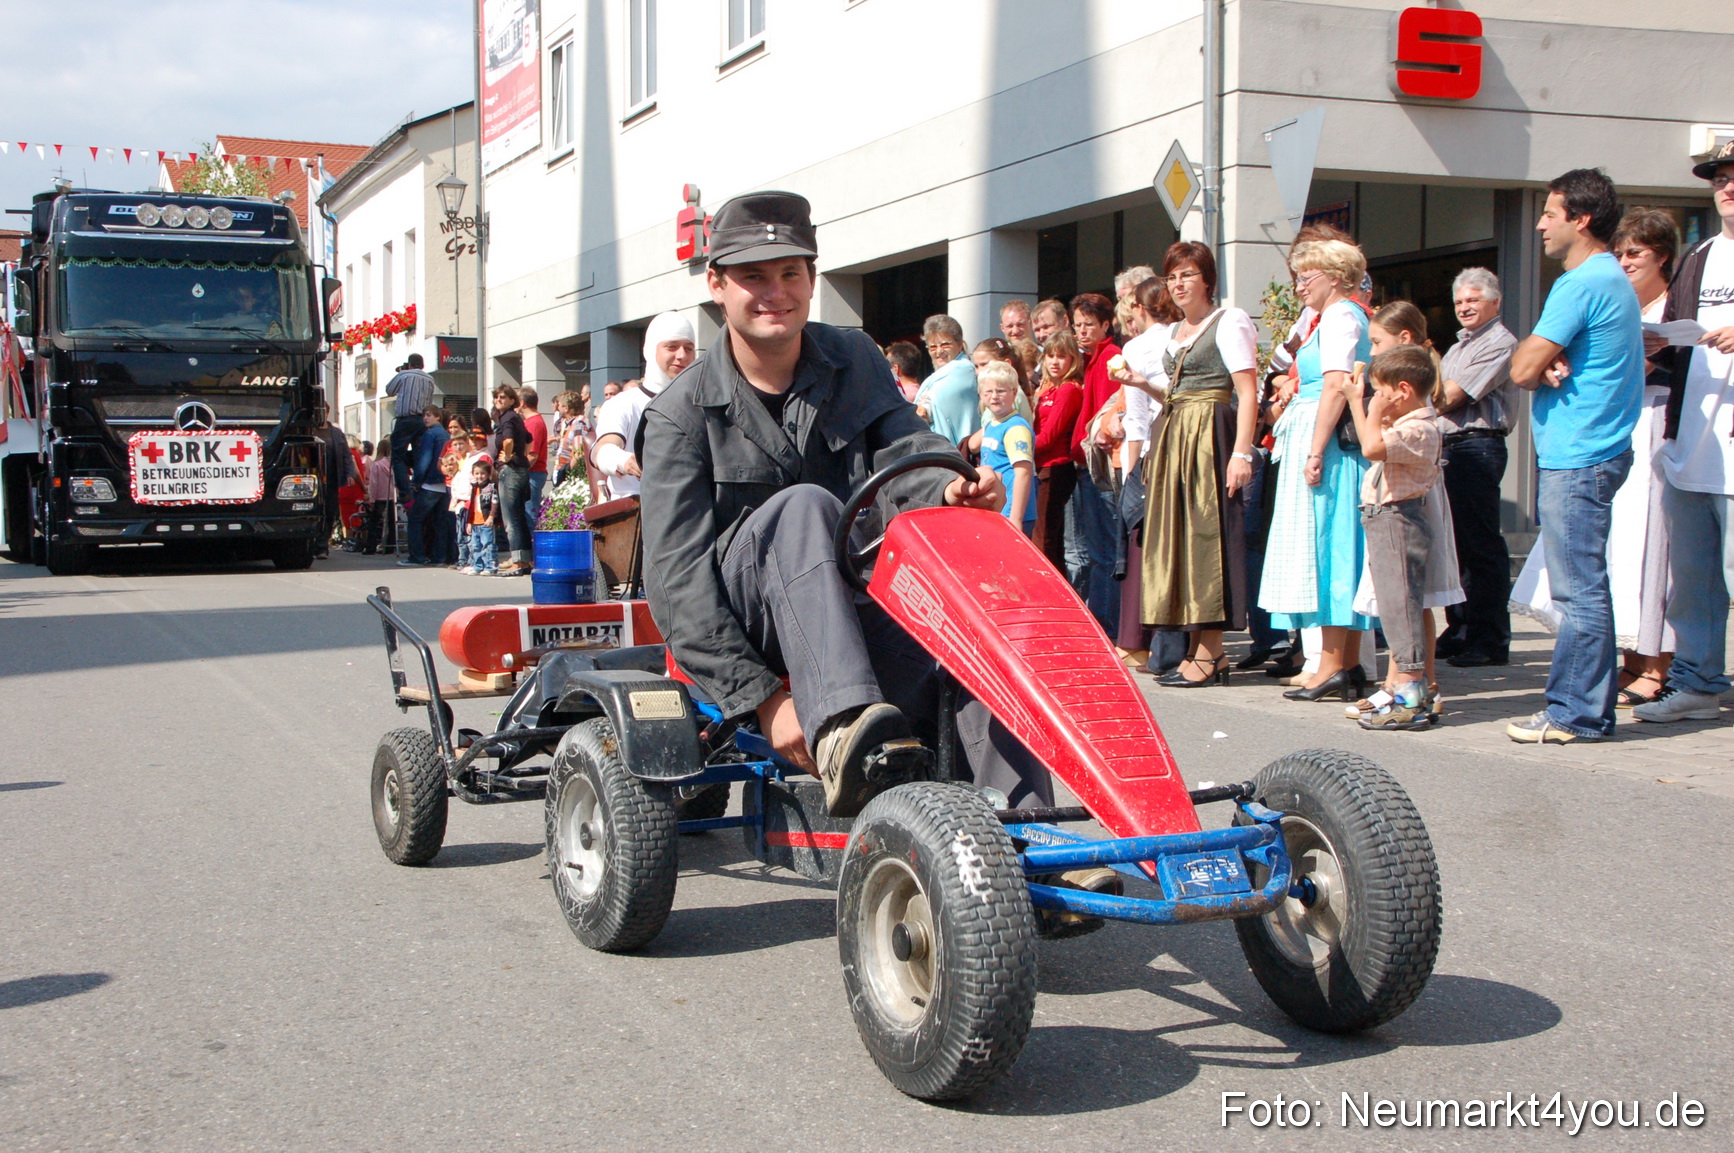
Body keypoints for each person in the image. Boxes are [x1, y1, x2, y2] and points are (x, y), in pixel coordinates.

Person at [637, 190, 1055, 826]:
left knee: (968, 642)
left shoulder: (853, 357)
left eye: (790, 273)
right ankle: (843, 732)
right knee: (804, 507)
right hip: (759, 634)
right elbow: (676, 583)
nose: (775, 292)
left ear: (811, 278)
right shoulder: (678, 415)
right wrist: (764, 700)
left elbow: (905, 443)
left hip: (855, 606)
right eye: (753, 276)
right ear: (716, 286)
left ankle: (1029, 837)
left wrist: (951, 484)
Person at [1505, 169, 1644, 744]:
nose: (1539, 223)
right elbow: (1534, 363)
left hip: (1580, 454)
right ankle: (1588, 710)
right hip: (1592, 451)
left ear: (1580, 220)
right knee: (1585, 585)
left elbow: (1519, 368)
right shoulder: (1609, 279)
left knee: (1578, 590)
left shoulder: (1582, 282)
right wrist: (1545, 359)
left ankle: (1574, 714)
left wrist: (1541, 360)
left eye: (1550, 212)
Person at [1118, 243, 1259, 686]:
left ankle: (1211, 652)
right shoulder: (1178, 329)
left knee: (1206, 537)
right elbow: (1177, 394)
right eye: (1173, 276)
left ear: (1207, 280)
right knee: (1180, 542)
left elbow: (1248, 391)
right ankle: (1198, 649)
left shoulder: (1228, 320)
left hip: (1210, 436)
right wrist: (1141, 383)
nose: (1178, 284)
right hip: (1176, 434)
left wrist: (1240, 453)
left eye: (1188, 275)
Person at [1633, 141, 1734, 724]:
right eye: (1719, 178)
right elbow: (1685, 350)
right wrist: (1660, 343)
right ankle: (1698, 680)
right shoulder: (1699, 257)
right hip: (1692, 444)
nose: (1726, 186)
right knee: (1693, 583)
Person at [1261, 238, 1375, 703]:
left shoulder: (1343, 315)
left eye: (1308, 276)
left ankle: (1333, 662)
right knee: (1327, 542)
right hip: (1318, 433)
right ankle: (1340, 663)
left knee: (1327, 543)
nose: (1300, 285)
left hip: (1327, 441)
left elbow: (1334, 386)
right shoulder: (1333, 317)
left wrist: (1314, 450)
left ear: (1336, 276)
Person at [1338, 345, 1444, 729]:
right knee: (1392, 605)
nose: (1376, 400)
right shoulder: (1405, 424)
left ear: (1402, 390)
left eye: (1380, 391)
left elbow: (1370, 446)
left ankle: (1413, 691)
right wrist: (1357, 401)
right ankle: (1405, 689)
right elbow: (1370, 442)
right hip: (1382, 518)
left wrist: (1375, 409)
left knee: (1402, 606)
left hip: (1400, 519)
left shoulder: (1419, 429)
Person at [1434, 268, 1518, 668]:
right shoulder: (1457, 347)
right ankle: (1460, 629)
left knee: (1480, 546)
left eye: (1473, 300)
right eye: (1459, 302)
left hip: (1476, 445)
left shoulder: (1500, 342)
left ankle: (1489, 638)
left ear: (1495, 303)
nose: (1464, 307)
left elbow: (1450, 396)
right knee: (1456, 547)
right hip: (1450, 446)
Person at [592, 312, 697, 503]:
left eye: (689, 348)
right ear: (650, 350)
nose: (682, 355)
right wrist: (623, 461)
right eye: (671, 347)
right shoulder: (623, 403)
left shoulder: (701, 404)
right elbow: (603, 449)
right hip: (636, 514)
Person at [1067, 291, 1124, 634]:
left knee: (1103, 551)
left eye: (1089, 325)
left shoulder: (1110, 358)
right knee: (1095, 548)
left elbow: (1106, 412)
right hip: (1088, 464)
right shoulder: (1092, 359)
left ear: (1106, 325)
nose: (1082, 332)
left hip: (1100, 465)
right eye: (1077, 326)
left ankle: (1107, 624)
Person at [1032, 332, 1084, 572]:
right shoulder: (1049, 390)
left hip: (1055, 467)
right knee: (1044, 536)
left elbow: (1050, 436)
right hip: (1042, 466)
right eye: (1050, 355)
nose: (1054, 361)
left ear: (1073, 360)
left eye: (1062, 356)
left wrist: (1020, 450)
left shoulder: (1069, 390)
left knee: (1045, 540)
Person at [968, 361, 1038, 533]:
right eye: (988, 392)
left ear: (1014, 393)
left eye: (1001, 391)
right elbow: (972, 445)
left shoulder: (1015, 428)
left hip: (1011, 512)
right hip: (995, 509)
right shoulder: (992, 424)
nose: (994, 397)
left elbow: (1023, 472)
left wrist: (1016, 518)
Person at [915, 315, 980, 447]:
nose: (939, 351)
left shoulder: (964, 369)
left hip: (957, 450)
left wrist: (925, 410)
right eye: (933, 347)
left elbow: (940, 397)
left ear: (960, 344)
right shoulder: (936, 376)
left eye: (945, 344)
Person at [401, 407, 452, 567]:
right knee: (440, 522)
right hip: (444, 482)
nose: (425, 418)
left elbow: (425, 459)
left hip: (430, 483)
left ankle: (417, 556)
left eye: (429, 415)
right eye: (424, 415)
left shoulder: (430, 434)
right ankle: (440, 557)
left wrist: (417, 481)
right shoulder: (446, 434)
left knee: (416, 520)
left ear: (437, 417)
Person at [491, 386, 533, 575]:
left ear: (511, 400)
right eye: (496, 397)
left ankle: (518, 562)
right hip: (521, 469)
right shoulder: (515, 418)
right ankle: (524, 559)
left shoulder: (508, 418)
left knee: (511, 520)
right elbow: (529, 439)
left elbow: (508, 441)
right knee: (519, 517)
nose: (498, 400)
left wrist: (507, 457)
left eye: (502, 397)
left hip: (511, 470)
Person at [383, 353, 435, 505]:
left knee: (397, 456)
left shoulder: (405, 374)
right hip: (422, 420)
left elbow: (389, 390)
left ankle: (405, 491)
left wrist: (401, 372)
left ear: (410, 364)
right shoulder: (430, 379)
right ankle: (418, 484)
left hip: (405, 419)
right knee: (420, 455)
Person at [315, 408, 356, 560]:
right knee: (315, 512)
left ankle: (322, 545)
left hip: (331, 479)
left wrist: (349, 474)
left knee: (329, 512)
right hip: (312, 480)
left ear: (327, 413)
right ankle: (311, 543)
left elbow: (346, 455)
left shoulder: (337, 433)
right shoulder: (308, 430)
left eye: (323, 411)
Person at [519, 387, 550, 538]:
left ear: (522, 403)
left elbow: (532, 455)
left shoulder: (534, 423)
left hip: (533, 473)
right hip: (532, 473)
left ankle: (534, 557)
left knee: (531, 516)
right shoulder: (531, 422)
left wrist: (519, 472)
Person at [464, 458, 500, 576]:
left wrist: (491, 517)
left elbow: (495, 502)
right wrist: (469, 522)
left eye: (483, 473)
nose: (480, 476)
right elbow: (472, 506)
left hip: (486, 521)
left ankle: (490, 566)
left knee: (488, 545)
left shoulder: (491, 487)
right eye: (477, 473)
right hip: (475, 522)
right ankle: (478, 566)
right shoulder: (474, 488)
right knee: (475, 546)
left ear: (489, 474)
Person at [363, 439, 395, 555]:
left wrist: (372, 499)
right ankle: (390, 546)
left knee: (373, 522)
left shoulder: (376, 464)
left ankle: (370, 547)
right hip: (391, 495)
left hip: (379, 497)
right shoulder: (393, 464)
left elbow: (374, 483)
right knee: (392, 523)